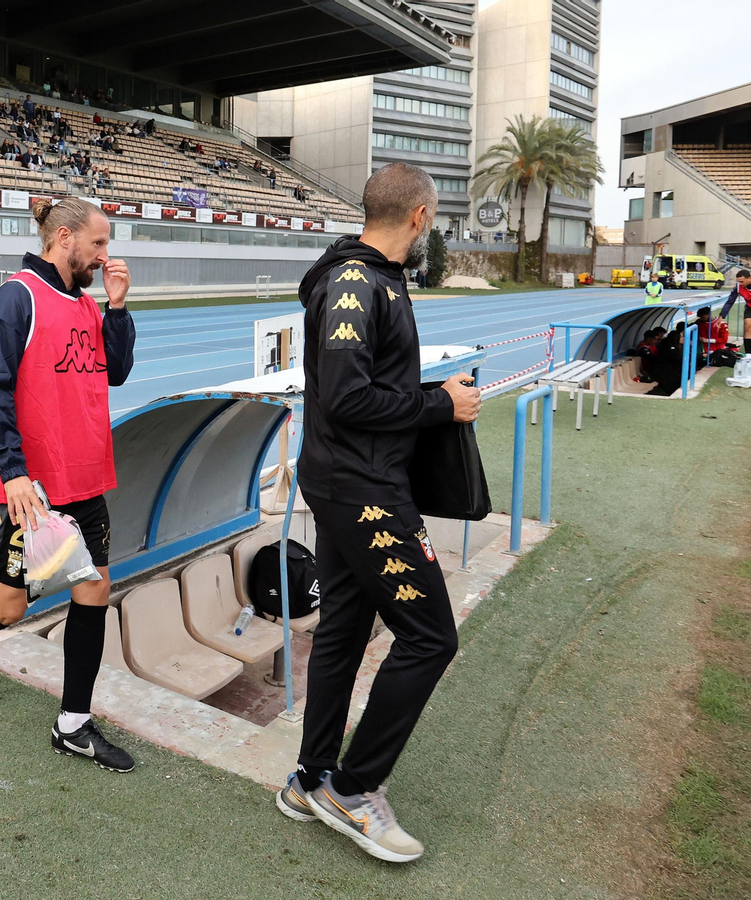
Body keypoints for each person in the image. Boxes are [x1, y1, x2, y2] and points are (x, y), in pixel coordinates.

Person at [277, 163, 480, 864]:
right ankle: (353, 789)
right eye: (435, 220)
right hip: (361, 488)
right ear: (419, 217)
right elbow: (345, 398)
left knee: (343, 629)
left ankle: (310, 779)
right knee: (430, 639)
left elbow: (369, 383)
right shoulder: (356, 283)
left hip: (347, 479)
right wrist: (439, 406)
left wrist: (426, 390)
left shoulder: (374, 277)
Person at [0, 197, 138, 772]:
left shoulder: (89, 303)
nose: (104, 255)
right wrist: (13, 471)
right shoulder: (16, 298)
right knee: (9, 606)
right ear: (63, 238)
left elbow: (114, 371)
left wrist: (116, 308)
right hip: (28, 486)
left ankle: (73, 725)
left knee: (93, 588)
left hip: (86, 476)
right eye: (97, 244)